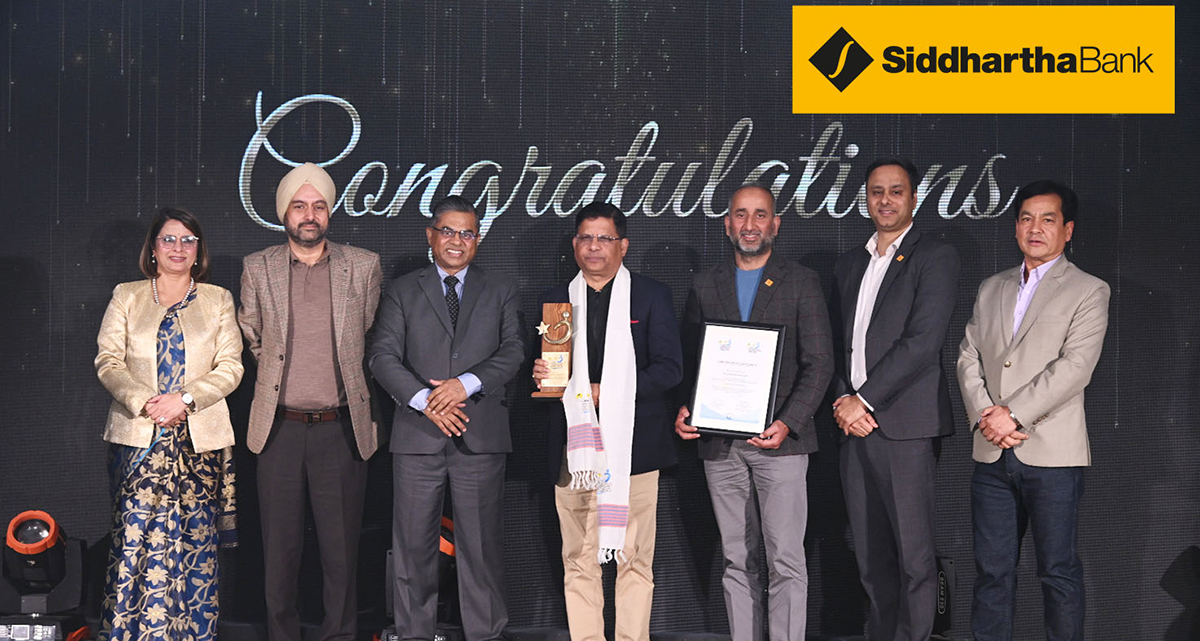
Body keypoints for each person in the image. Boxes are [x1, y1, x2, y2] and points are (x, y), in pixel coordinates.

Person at [673, 184, 833, 641]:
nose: (750, 224)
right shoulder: (705, 284)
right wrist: (687, 406)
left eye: (760, 214)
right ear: (727, 224)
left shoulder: (801, 281)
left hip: (781, 443)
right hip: (720, 445)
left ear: (775, 224)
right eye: (740, 215)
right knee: (736, 559)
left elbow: (820, 362)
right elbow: (695, 360)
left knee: (786, 559)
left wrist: (787, 423)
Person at [957, 180, 1109, 641]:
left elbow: (1075, 367)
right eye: (1026, 218)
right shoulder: (992, 287)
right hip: (991, 452)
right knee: (991, 573)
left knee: (1057, 572)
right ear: (1016, 227)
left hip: (1052, 455)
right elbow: (968, 356)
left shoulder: (1088, 289)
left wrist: (1013, 415)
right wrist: (987, 415)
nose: (1035, 228)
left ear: (1068, 230)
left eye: (1047, 219)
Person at [369, 195, 523, 641]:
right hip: (418, 435)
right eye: (448, 231)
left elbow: (514, 350)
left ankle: (486, 635)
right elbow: (381, 356)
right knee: (412, 549)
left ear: (478, 238)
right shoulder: (402, 290)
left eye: (467, 233)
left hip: (480, 434)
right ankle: (414, 635)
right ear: (431, 235)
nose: (457, 241)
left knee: (481, 549)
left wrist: (464, 384)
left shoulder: (500, 288)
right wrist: (426, 400)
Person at [238, 163, 382, 641]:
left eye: (319, 206)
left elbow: (369, 335)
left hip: (341, 428)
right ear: (284, 213)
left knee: (341, 553)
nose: (309, 214)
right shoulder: (258, 266)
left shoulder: (362, 265)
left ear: (330, 211)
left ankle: (338, 636)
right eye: (299, 206)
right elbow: (252, 336)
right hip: (278, 428)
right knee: (279, 553)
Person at [532, 202, 682, 641]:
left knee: (634, 558)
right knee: (579, 558)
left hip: (635, 449)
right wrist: (540, 374)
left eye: (604, 238)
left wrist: (608, 391)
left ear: (623, 245)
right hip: (574, 450)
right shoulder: (557, 300)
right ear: (574, 244)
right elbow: (550, 376)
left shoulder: (650, 295)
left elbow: (670, 369)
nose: (594, 246)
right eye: (586, 237)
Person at [95, 207, 244, 641]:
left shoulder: (218, 299)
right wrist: (147, 403)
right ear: (153, 249)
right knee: (134, 543)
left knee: (195, 546)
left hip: (198, 445)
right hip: (138, 439)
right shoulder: (127, 295)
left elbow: (231, 366)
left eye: (188, 240)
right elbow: (108, 361)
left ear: (199, 250)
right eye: (169, 239)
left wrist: (185, 399)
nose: (178, 248)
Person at [830, 158, 959, 641]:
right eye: (876, 191)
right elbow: (837, 344)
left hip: (904, 428)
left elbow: (922, 343)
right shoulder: (850, 263)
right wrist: (843, 401)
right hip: (853, 428)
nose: (885, 200)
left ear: (914, 198)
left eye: (896, 191)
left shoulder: (935, 256)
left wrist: (863, 400)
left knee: (913, 558)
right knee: (870, 557)